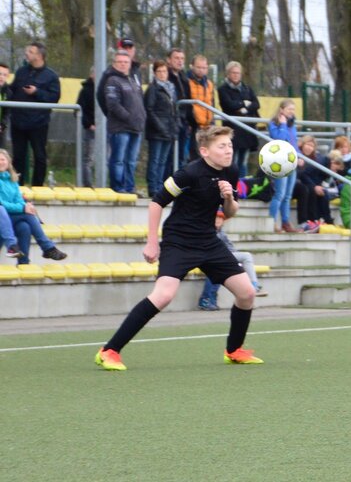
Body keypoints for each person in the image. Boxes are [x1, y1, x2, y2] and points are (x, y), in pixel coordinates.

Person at [94, 125, 263, 371]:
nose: (228, 150)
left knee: (247, 293)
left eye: (230, 145)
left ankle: (234, 350)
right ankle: (109, 350)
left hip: (209, 241)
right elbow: (156, 203)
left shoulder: (231, 171)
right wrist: (152, 242)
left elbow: (230, 212)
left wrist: (228, 198)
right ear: (205, 151)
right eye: (222, 146)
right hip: (179, 242)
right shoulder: (188, 173)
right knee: (163, 296)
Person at [8, 41, 60, 186]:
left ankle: (38, 187)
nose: (27, 54)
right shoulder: (21, 71)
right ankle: (18, 186)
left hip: (38, 123)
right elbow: (12, 90)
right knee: (18, 156)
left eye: (30, 52)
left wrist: (37, 92)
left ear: (39, 56)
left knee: (39, 156)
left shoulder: (51, 76)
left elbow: (54, 98)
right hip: (18, 122)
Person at [0, 149, 66, 263]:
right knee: (22, 214)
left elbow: (19, 201)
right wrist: (22, 208)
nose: (0, 162)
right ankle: (47, 247)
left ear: (8, 162)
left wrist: (24, 207)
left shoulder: (13, 180)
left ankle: (23, 262)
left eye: (3, 159)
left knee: (24, 227)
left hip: (10, 218)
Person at [198, 210, 267, 311]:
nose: (218, 220)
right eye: (216, 217)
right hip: (207, 257)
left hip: (221, 257)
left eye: (221, 218)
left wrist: (234, 261)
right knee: (246, 256)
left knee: (234, 267)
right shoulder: (208, 231)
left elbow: (231, 249)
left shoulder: (221, 233)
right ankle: (253, 286)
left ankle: (210, 300)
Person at [267, 99, 314, 233]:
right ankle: (272, 222)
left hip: (291, 160)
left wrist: (299, 156)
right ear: (281, 110)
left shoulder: (292, 125)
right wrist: (282, 124)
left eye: (293, 109)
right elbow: (280, 140)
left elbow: (293, 143)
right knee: (279, 193)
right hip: (280, 161)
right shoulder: (274, 123)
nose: (292, 112)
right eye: (289, 109)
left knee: (288, 195)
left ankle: (285, 222)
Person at [103, 50, 146, 194]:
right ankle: (118, 188)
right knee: (118, 160)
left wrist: (141, 117)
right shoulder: (112, 81)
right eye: (120, 62)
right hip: (120, 128)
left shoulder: (134, 80)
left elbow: (140, 102)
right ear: (114, 64)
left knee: (131, 161)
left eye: (126, 62)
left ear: (130, 64)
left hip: (136, 127)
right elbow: (113, 104)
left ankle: (130, 187)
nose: (123, 64)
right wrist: (128, 117)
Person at [144, 59, 181, 198]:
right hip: (157, 131)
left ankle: (160, 186)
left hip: (169, 130)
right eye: (159, 71)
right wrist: (160, 127)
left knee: (163, 161)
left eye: (164, 71)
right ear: (154, 73)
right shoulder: (153, 89)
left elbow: (175, 109)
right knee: (155, 160)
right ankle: (152, 187)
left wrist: (176, 125)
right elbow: (150, 110)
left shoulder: (171, 88)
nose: (162, 74)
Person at [217, 61, 260, 177]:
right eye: (233, 72)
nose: (236, 75)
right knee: (232, 160)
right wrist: (244, 103)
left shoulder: (247, 88)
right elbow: (228, 105)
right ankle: (232, 184)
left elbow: (256, 104)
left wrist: (243, 109)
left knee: (244, 161)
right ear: (228, 73)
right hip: (233, 129)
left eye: (238, 73)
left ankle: (242, 185)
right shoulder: (223, 89)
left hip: (247, 130)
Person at [297, 135, 334, 225]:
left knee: (324, 193)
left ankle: (327, 219)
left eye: (312, 146)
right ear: (302, 145)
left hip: (313, 183)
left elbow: (322, 175)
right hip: (301, 183)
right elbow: (302, 175)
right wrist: (314, 186)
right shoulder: (298, 156)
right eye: (308, 145)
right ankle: (312, 220)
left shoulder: (317, 158)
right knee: (311, 190)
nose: (309, 148)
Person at [184, 54, 216, 157]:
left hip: (207, 126)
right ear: (192, 66)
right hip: (192, 126)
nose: (201, 70)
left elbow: (212, 104)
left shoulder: (209, 84)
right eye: (198, 67)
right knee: (189, 156)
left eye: (204, 68)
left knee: (205, 156)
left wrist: (212, 122)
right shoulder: (186, 82)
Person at [167, 48, 191, 169]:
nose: (180, 61)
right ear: (169, 60)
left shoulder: (184, 77)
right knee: (169, 157)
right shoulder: (166, 76)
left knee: (181, 156)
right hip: (170, 122)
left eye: (182, 58)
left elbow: (189, 100)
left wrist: (189, 121)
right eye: (176, 58)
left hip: (183, 122)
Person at [76, 68, 96, 187]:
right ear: (91, 74)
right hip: (91, 129)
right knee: (89, 158)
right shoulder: (85, 91)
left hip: (105, 130)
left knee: (106, 159)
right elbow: (79, 110)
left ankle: (102, 184)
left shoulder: (105, 89)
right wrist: (89, 125)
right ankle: (87, 184)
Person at [0, 62, 10, 150]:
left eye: (5, 75)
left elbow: (7, 112)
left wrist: (2, 125)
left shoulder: (8, 91)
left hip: (1, 129)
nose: (2, 77)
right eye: (0, 74)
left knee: (2, 152)